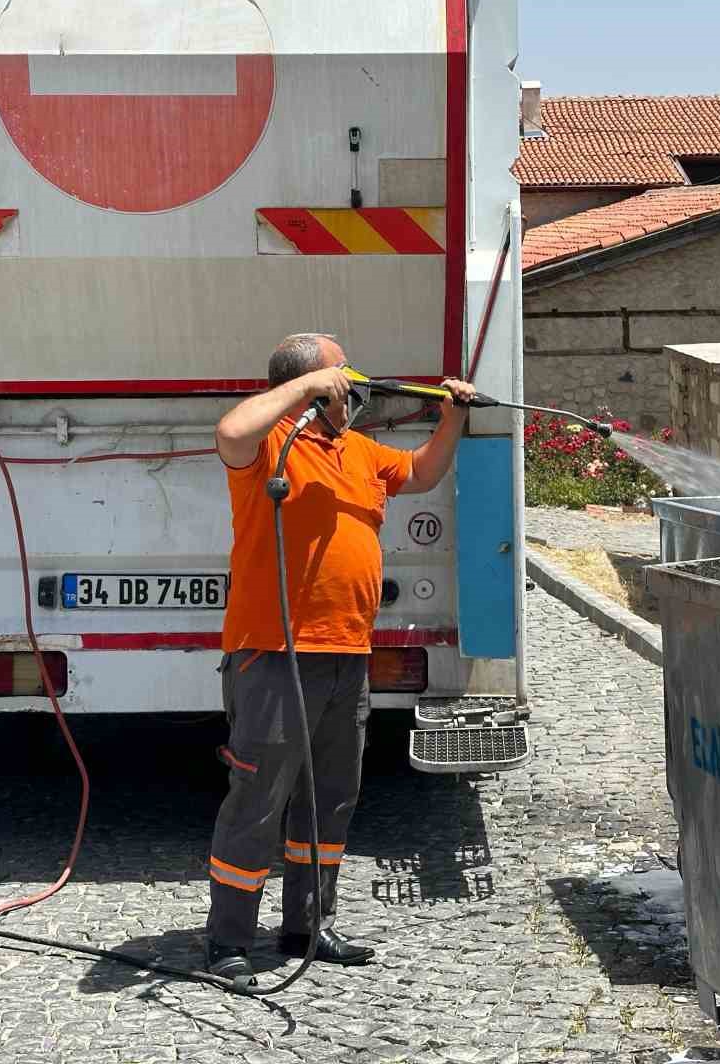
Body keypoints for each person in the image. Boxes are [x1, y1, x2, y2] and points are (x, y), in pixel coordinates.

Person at [203, 333, 475, 983]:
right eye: (342, 375)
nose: (355, 388)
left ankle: (307, 926)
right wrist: (300, 390)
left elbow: (423, 472)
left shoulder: (359, 451)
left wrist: (454, 416)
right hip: (273, 654)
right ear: (313, 385)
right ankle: (229, 940)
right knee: (257, 800)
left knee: (329, 798)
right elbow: (230, 429)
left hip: (347, 652)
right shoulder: (270, 444)